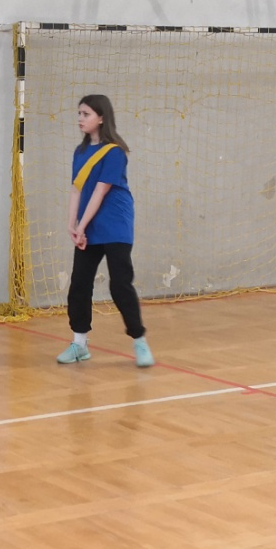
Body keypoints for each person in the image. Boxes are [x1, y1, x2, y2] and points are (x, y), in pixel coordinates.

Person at [55, 94, 154, 368]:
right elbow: (77, 189)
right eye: (79, 113)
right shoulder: (79, 152)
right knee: (79, 283)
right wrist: (72, 224)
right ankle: (79, 344)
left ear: (101, 118)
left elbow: (100, 191)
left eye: (86, 114)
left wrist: (81, 225)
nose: (80, 119)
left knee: (120, 284)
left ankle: (139, 340)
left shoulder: (115, 152)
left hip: (114, 223)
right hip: (88, 224)